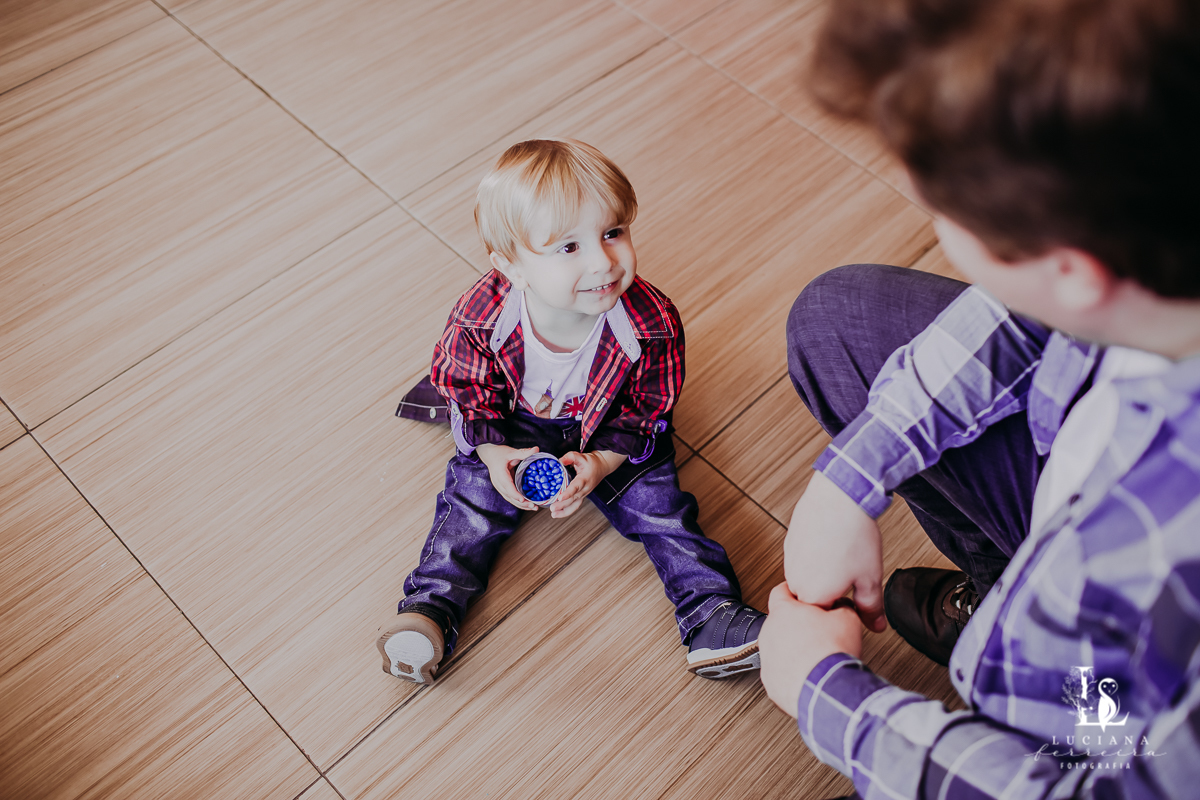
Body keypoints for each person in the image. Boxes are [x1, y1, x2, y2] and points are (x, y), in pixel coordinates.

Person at [757, 0, 1200, 797]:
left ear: (1073, 268)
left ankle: (1036, 689)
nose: (933, 227)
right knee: (837, 320)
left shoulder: (1150, 570)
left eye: (940, 212)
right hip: (1097, 497)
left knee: (1085, 733)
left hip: (1120, 710)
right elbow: (1022, 312)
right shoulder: (1153, 225)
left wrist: (828, 693)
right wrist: (849, 478)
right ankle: (1008, 601)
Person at [378, 139, 764, 684]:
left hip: (612, 432)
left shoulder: (652, 322)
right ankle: (429, 612)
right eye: (568, 247)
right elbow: (466, 390)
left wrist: (604, 462)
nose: (603, 261)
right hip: (510, 429)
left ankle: (711, 617)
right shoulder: (480, 316)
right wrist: (493, 455)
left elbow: (647, 409)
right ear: (510, 265)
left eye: (613, 233)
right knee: (469, 508)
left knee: (662, 510)